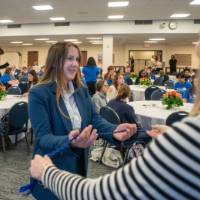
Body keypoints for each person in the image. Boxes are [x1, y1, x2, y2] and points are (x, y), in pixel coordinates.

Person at [28, 42, 136, 200]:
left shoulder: (81, 90)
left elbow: (94, 120)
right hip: (51, 167)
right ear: (55, 61)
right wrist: (70, 141)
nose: (75, 64)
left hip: (78, 166)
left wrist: (114, 130)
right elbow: (43, 138)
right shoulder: (39, 93)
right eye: (69, 59)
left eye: (77, 59)